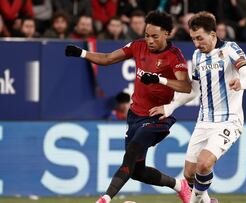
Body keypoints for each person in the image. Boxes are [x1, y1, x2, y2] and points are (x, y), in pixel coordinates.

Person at [65, 10, 192, 203]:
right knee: (137, 171)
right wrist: (82, 53)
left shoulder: (175, 56)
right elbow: (108, 59)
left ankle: (105, 199)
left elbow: (185, 86)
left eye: (155, 36)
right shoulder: (138, 46)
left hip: (157, 116)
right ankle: (179, 185)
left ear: (167, 33)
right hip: (135, 115)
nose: (149, 40)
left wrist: (161, 80)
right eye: (147, 35)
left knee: (132, 151)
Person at [149, 11, 246, 203]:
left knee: (204, 164)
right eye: (193, 39)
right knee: (189, 174)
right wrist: (169, 107)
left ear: (213, 35)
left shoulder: (230, 49)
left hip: (229, 120)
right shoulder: (198, 56)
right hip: (204, 122)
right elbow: (193, 90)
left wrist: (242, 82)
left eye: (200, 38)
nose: (197, 43)